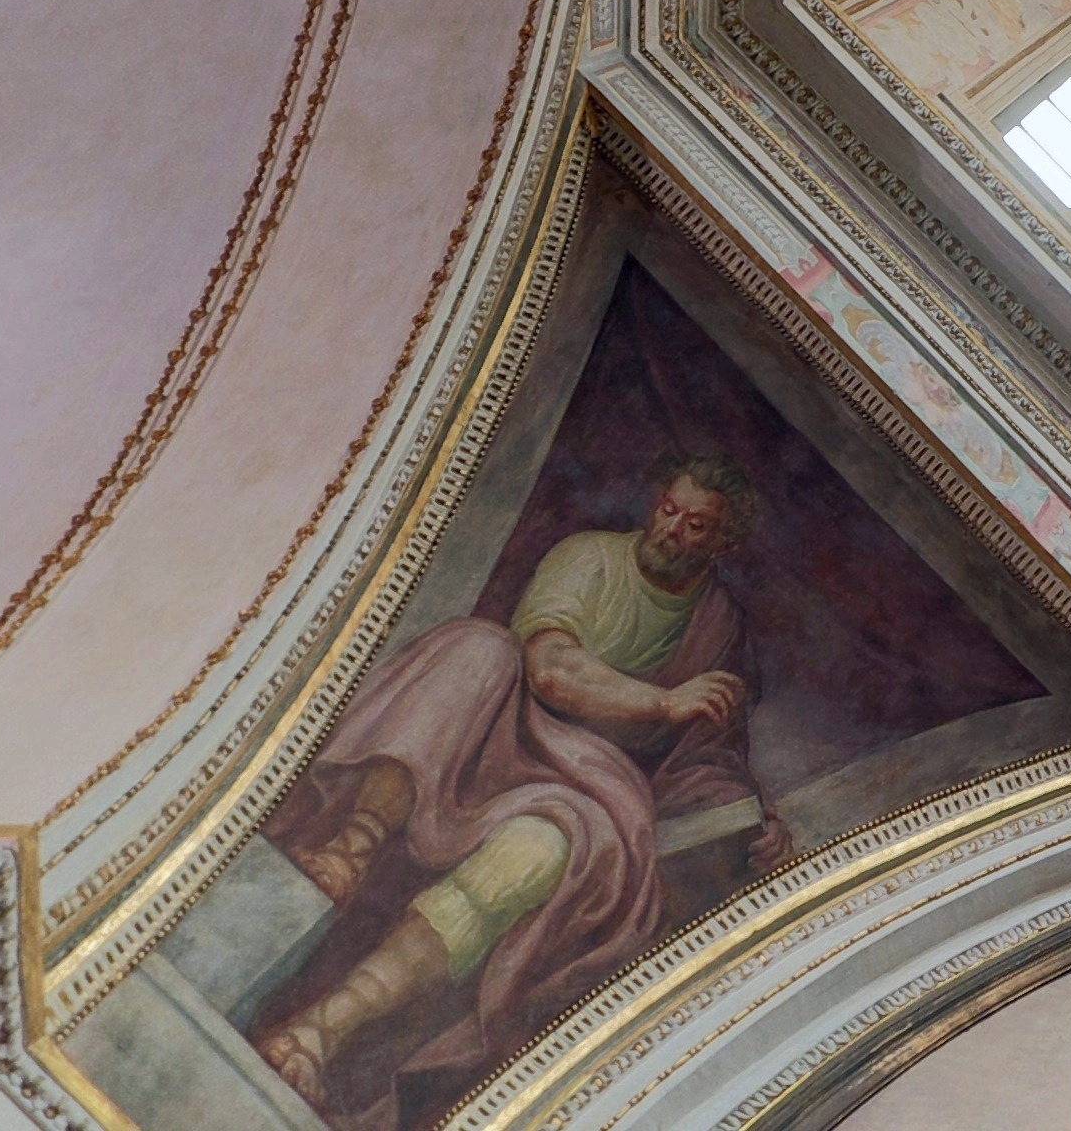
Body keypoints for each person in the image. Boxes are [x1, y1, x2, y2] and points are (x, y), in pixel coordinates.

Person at [250, 458, 789, 1107]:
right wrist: (663, 703)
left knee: (544, 853)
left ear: (722, 545)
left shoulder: (718, 626)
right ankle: (350, 848)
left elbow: (707, 756)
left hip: (579, 787)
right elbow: (551, 669)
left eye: (695, 525)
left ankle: (317, 1033)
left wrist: (755, 819)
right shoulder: (590, 558)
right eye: (669, 509)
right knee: (479, 649)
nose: (672, 529)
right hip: (493, 730)